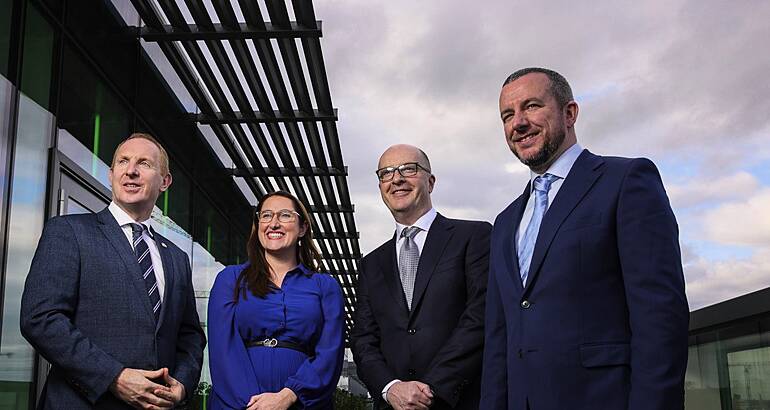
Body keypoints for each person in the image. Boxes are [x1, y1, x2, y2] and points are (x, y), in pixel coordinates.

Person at [480, 67, 689, 410]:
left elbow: (660, 319)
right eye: (507, 114)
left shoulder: (626, 181)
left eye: (531, 106)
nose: (518, 122)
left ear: (570, 112)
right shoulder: (504, 223)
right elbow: (498, 338)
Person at [20, 133, 206, 409]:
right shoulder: (68, 232)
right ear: (111, 175)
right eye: (123, 162)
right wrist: (113, 377)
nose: (131, 170)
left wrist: (182, 385)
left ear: (164, 181)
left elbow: (190, 335)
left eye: (144, 163)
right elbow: (40, 318)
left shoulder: (177, 258)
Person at [351, 144, 492, 410]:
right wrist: (390, 388)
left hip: (459, 401)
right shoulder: (371, 264)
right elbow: (363, 339)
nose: (397, 178)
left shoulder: (474, 237)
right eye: (386, 173)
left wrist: (431, 389)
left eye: (408, 169)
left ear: (431, 181)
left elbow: (480, 317)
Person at [207, 190, 345, 409]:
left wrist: (290, 395)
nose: (274, 223)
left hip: (304, 402)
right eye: (266, 215)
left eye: (285, 215)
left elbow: (330, 352)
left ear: (302, 228)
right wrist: (251, 405)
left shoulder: (325, 286)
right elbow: (222, 348)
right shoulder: (230, 279)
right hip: (237, 402)